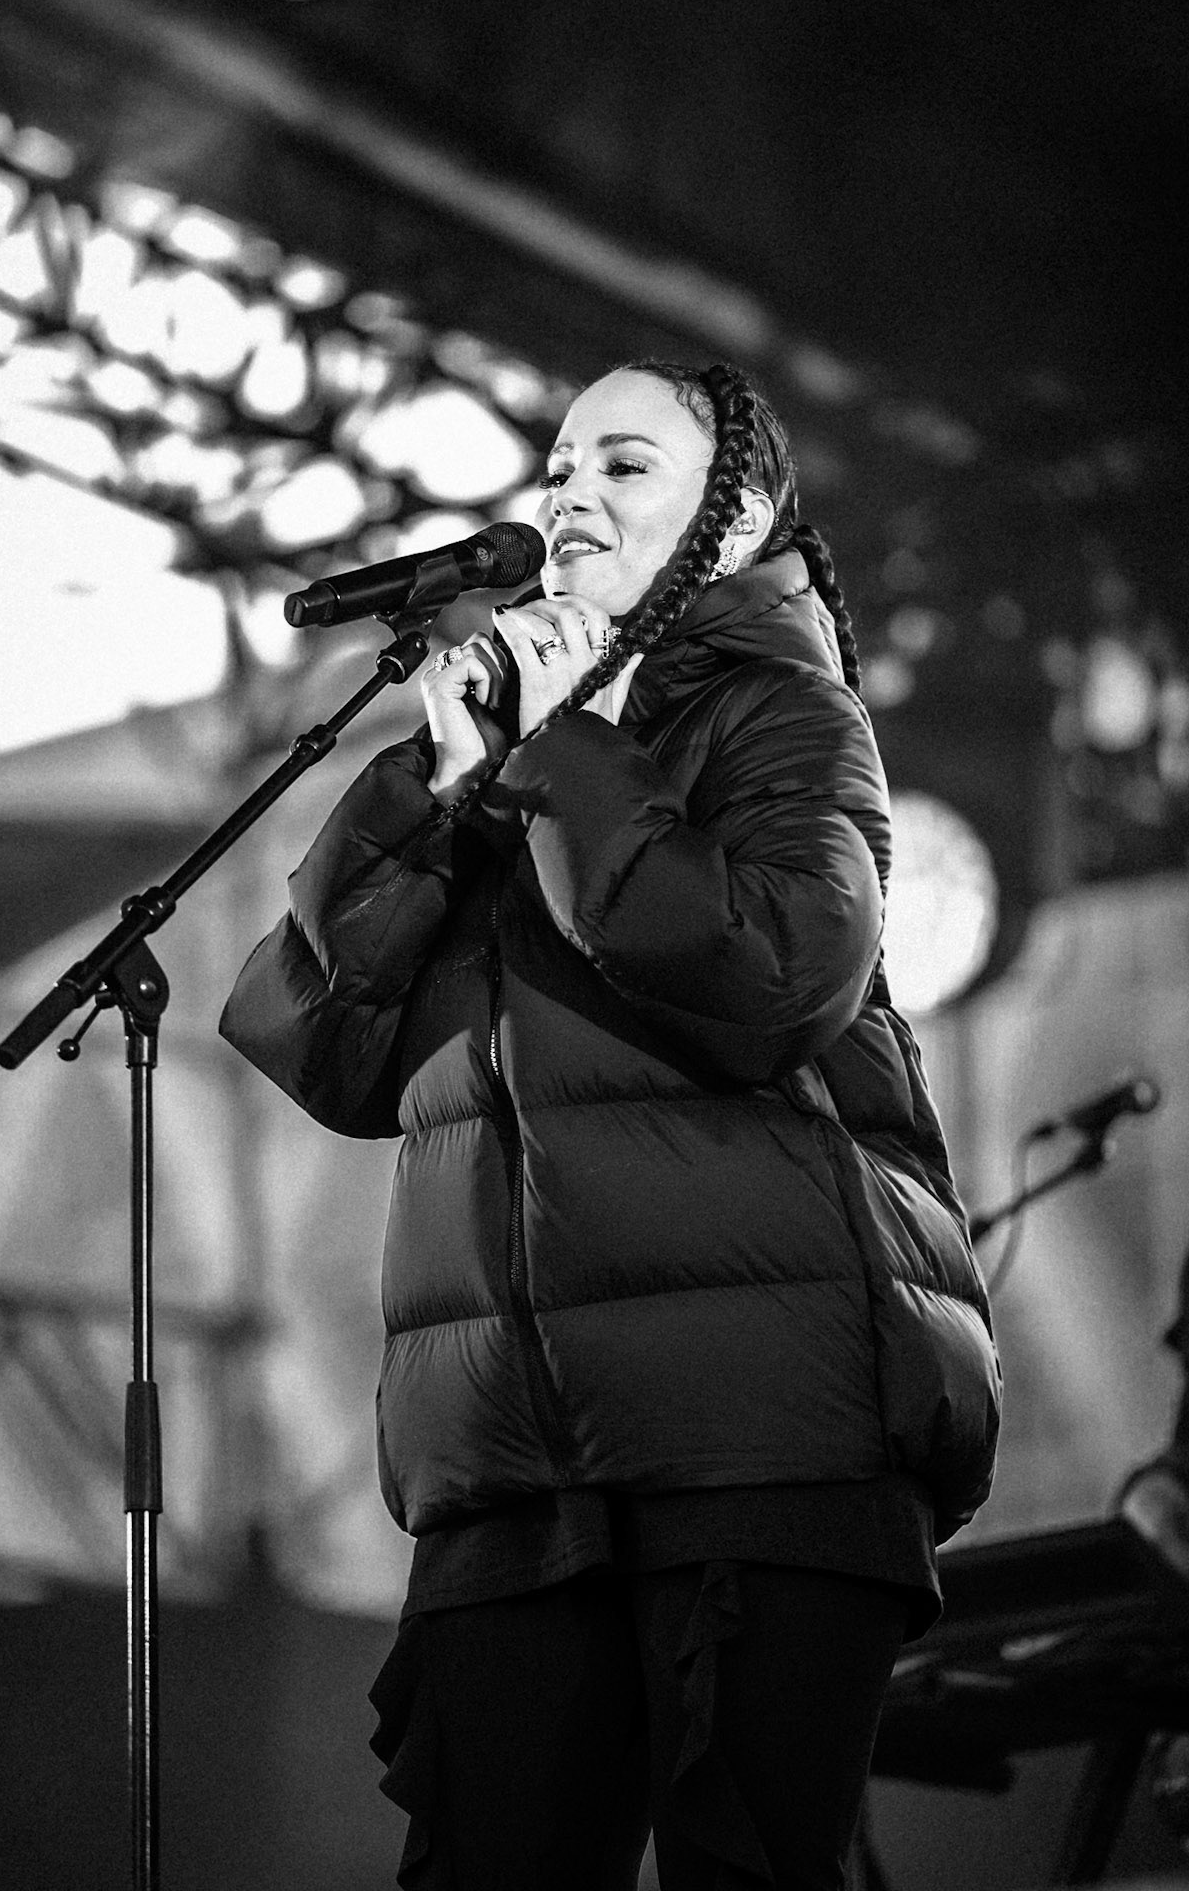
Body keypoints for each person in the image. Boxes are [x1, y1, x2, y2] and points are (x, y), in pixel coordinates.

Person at [220, 360, 1002, 1890]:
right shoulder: (507, 755)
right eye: (557, 464)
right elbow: (323, 1047)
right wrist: (433, 796)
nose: (569, 495)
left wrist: (568, 744)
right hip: (513, 1449)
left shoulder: (783, 715)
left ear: (734, 522)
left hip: (758, 1428)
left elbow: (773, 977)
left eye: (624, 468)